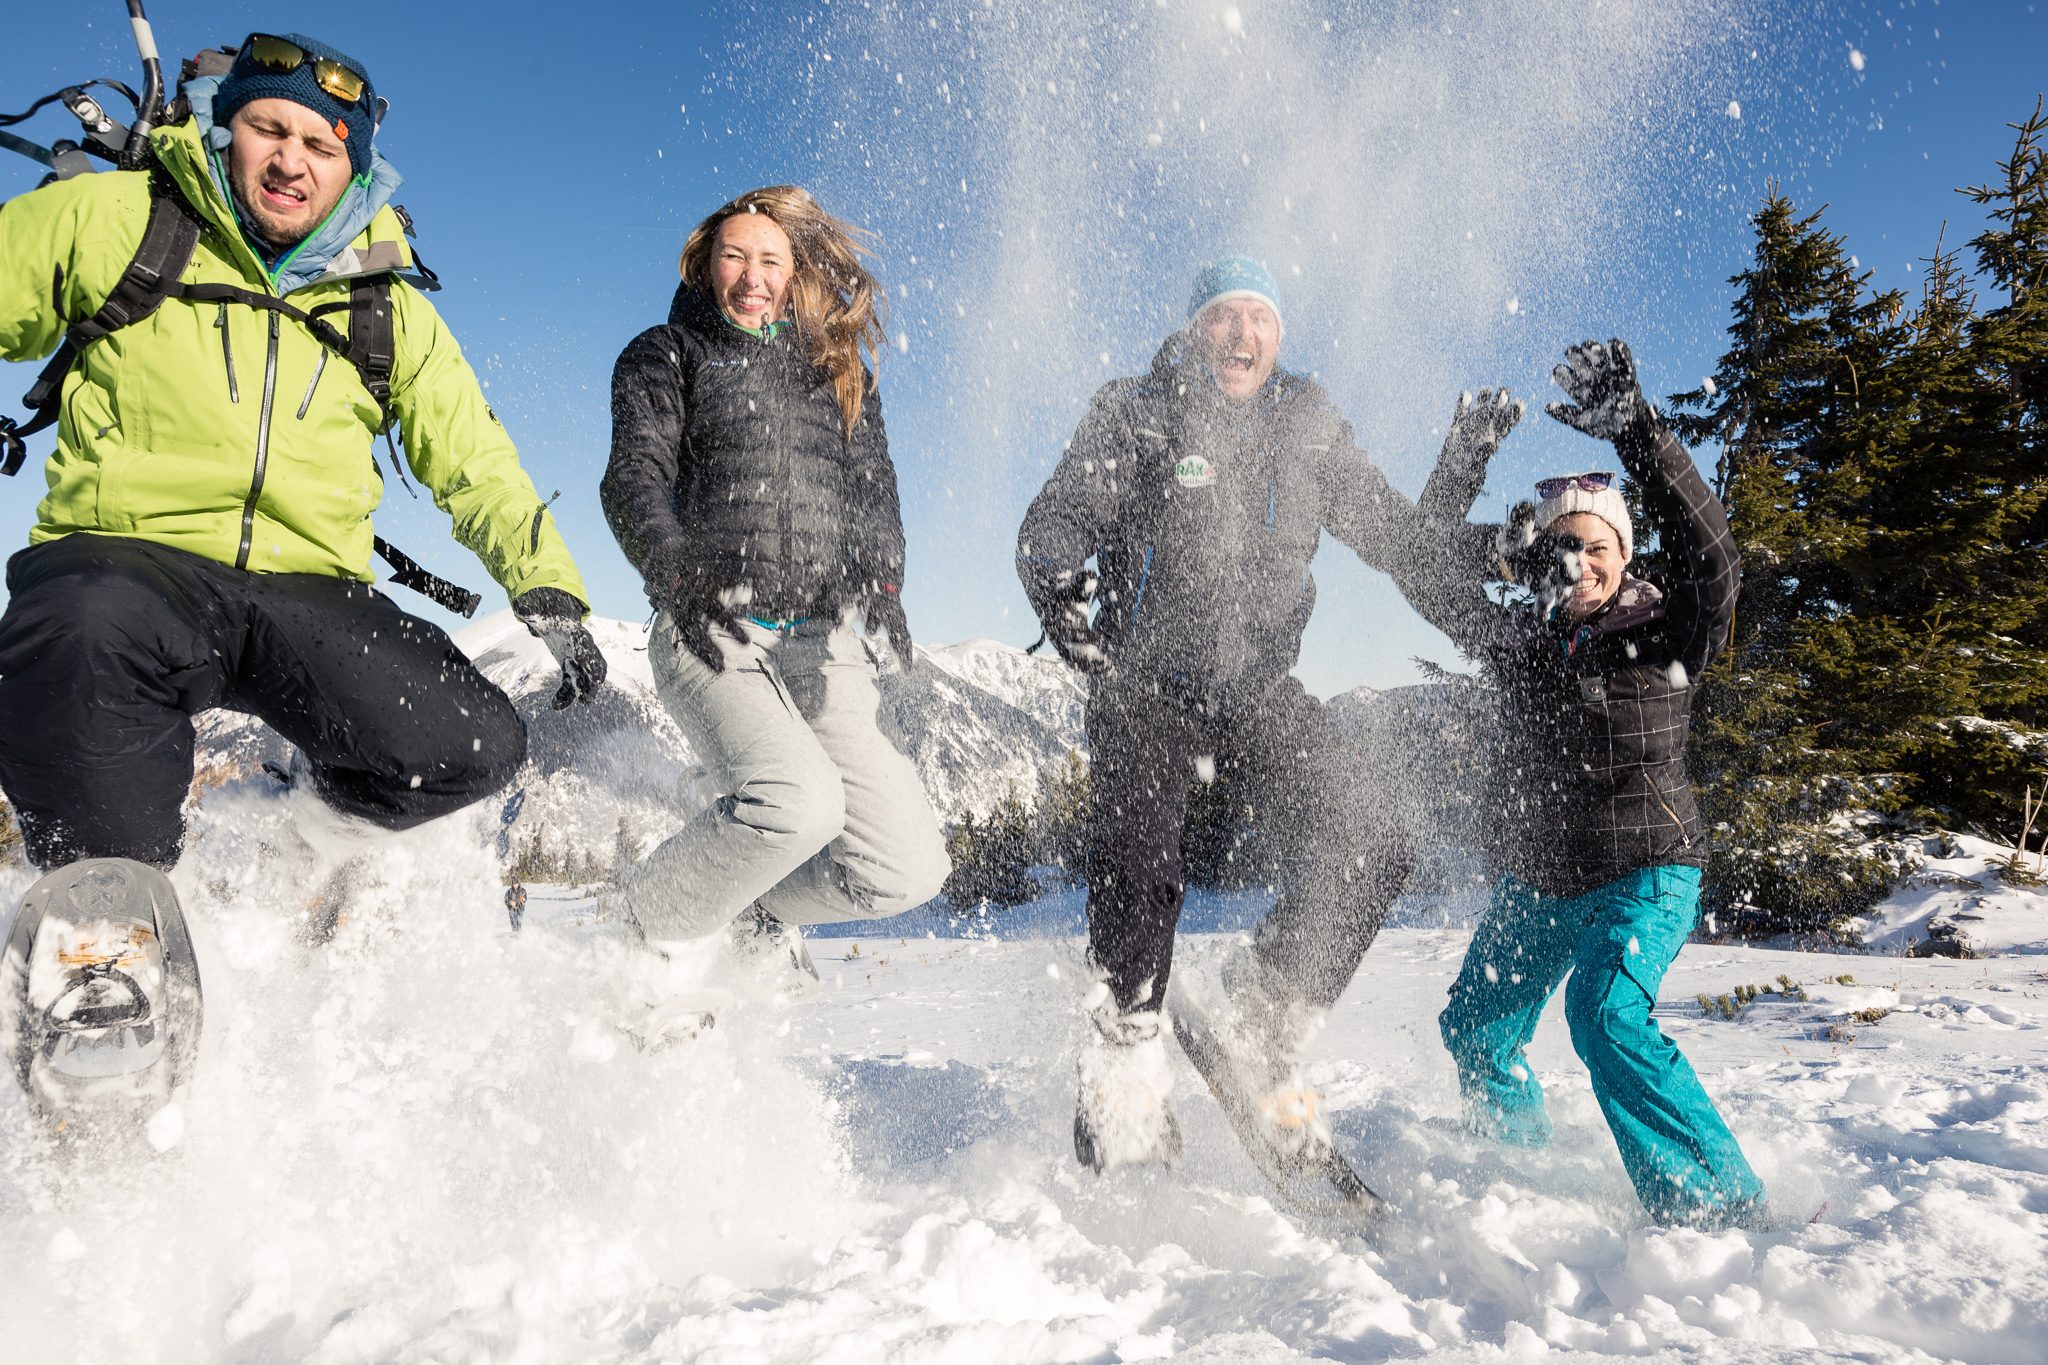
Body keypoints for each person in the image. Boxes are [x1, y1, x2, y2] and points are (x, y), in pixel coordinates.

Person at [0, 33, 605, 1112]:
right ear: (224, 128)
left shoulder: (387, 300)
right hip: (125, 563)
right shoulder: (119, 220)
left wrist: (548, 587)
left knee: (471, 740)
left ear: (355, 168)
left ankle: (293, 842)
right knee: (79, 637)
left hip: (305, 588)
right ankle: (104, 957)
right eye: (269, 129)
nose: (292, 160)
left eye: (323, 146)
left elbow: (474, 458)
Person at [1015, 255, 1524, 1173]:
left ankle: (1264, 1006)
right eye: (1225, 315)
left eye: (1260, 317)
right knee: (1142, 863)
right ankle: (1124, 1056)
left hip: (1256, 690)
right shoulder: (1138, 411)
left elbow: (1399, 537)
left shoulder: (1309, 427)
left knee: (1372, 836)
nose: (1243, 333)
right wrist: (1052, 574)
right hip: (1143, 685)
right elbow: (1060, 513)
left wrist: (1501, 551)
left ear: (1278, 336)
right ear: (1195, 329)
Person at [1408, 338, 1765, 1228]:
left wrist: (1639, 432)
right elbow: (1420, 568)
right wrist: (1462, 464)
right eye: (1562, 544)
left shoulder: (1667, 629)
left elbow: (1716, 559)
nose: (1580, 559)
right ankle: (1516, 1165)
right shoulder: (1524, 641)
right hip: (1546, 876)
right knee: (1477, 1026)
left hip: (1648, 868)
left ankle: (1718, 1206)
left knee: (1604, 1013)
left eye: (1596, 544)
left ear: (1623, 553)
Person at [599, 185, 948, 994]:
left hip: (821, 642)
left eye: (769, 260)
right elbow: (632, 477)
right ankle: (643, 921)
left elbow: (874, 492)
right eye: (734, 257)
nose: (752, 277)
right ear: (705, 265)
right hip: (712, 626)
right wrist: (677, 570)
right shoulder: (667, 354)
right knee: (799, 804)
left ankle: (745, 903)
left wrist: (883, 580)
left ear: (796, 272)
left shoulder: (839, 370)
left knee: (905, 868)